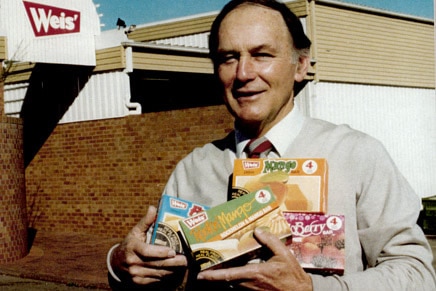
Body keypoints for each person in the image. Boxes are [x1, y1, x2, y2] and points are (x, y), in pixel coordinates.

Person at [107, 0, 436, 290]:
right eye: (228, 58)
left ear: (301, 65)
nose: (244, 73)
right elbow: (164, 273)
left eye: (261, 54)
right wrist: (123, 266)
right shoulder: (194, 169)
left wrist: (312, 290)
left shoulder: (356, 155)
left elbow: (417, 275)